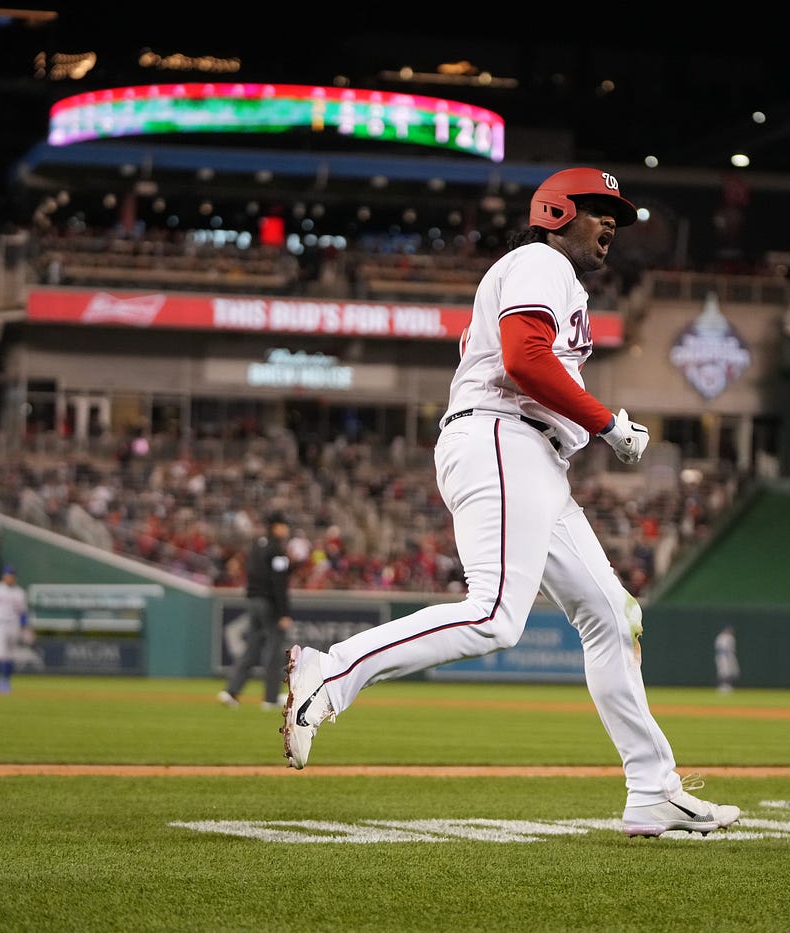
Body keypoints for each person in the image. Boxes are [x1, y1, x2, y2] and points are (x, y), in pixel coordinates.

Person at [279, 167, 740, 838]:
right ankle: (332, 670)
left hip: (534, 455)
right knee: (496, 615)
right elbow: (525, 360)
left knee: (614, 615)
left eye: (617, 212)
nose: (611, 221)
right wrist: (609, 423)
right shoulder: (537, 260)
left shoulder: (558, 277)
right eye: (596, 208)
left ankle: (653, 788)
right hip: (502, 435)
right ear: (555, 211)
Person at [219, 511, 294, 710]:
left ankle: (231, 691)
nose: (286, 529)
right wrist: (283, 612)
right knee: (274, 650)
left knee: (252, 647)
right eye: (283, 525)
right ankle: (270, 698)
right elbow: (279, 583)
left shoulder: (257, 545)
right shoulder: (277, 550)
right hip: (268, 603)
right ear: (276, 526)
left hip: (253, 600)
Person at [0, 565, 30, 694]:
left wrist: (25, 629)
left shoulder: (19, 592)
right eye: (8, 575)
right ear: (3, 576)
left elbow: (23, 613)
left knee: (10, 656)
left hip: (13, 625)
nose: (10, 577)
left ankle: (6, 683)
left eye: (12, 575)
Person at [714, 625, 739, 693]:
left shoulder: (730, 637)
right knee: (723, 672)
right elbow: (721, 649)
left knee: (731, 672)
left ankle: (727, 686)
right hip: (723, 657)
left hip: (730, 656)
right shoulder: (722, 637)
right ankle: (722, 686)